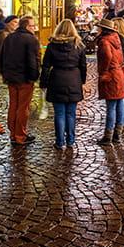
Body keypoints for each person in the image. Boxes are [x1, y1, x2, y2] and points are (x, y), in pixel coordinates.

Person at [39, 19, 87, 150]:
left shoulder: (52, 45)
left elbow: (46, 66)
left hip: (57, 79)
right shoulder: (79, 45)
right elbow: (83, 66)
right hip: (74, 80)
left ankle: (59, 142)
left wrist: (43, 82)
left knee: (59, 113)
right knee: (71, 113)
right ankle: (70, 140)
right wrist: (82, 81)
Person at [1, 15, 40, 146]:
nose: (34, 28)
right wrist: (34, 76)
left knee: (13, 105)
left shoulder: (9, 38)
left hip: (11, 77)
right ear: (27, 26)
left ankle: (13, 133)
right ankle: (20, 135)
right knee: (23, 107)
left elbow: (3, 58)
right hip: (24, 78)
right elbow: (32, 61)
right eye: (33, 26)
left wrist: (5, 74)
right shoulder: (31, 39)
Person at [96, 19, 124, 146]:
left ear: (102, 29)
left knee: (111, 106)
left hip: (112, 75)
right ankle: (117, 134)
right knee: (119, 103)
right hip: (119, 74)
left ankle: (108, 136)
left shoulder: (104, 41)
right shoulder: (116, 38)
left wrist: (103, 72)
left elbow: (106, 57)